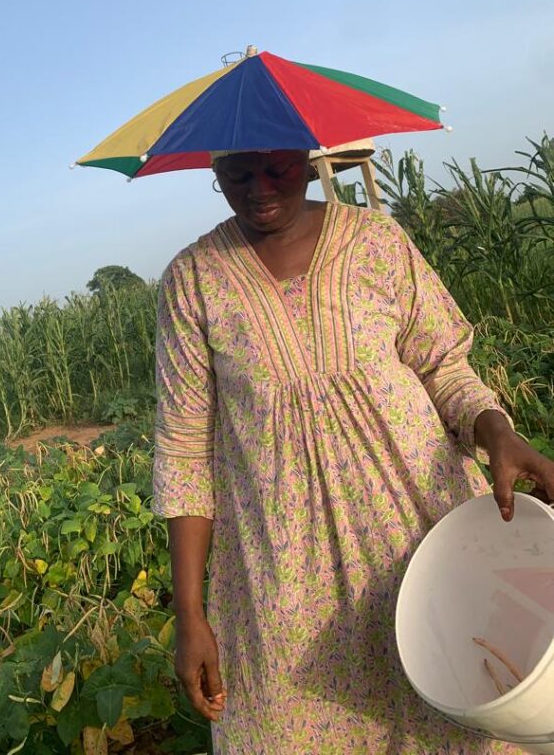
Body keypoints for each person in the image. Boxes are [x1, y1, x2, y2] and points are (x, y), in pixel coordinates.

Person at [151, 148, 554, 755]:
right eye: (237, 174)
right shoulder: (193, 280)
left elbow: (443, 365)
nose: (260, 188)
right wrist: (190, 613)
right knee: (286, 729)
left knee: (452, 711)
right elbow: (184, 448)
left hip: (418, 540)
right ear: (215, 174)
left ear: (306, 159)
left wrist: (498, 431)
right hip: (282, 575)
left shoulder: (375, 241)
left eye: (277, 168)